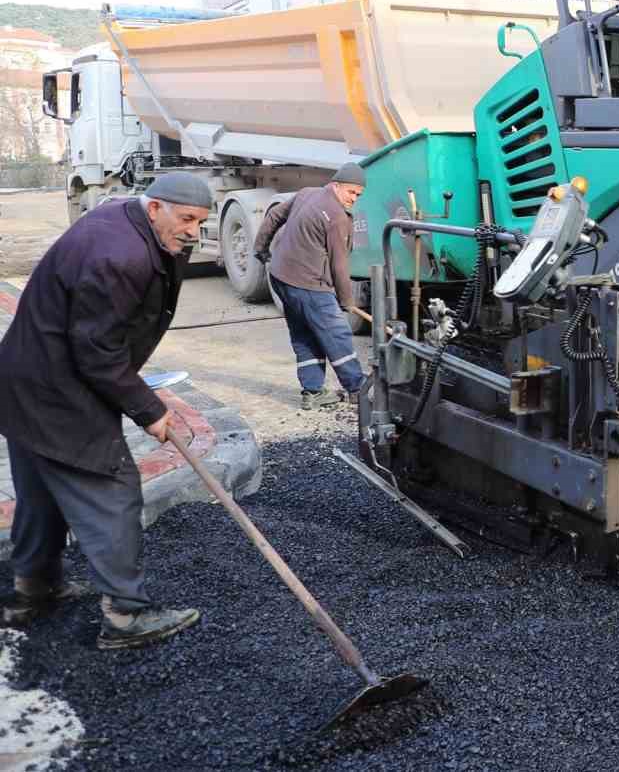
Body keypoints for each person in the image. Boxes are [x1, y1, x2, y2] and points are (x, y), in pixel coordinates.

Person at [0, 172, 210, 648]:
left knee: (40, 487)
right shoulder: (120, 255)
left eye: (200, 221)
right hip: (58, 389)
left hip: (25, 380)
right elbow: (96, 351)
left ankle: (35, 587)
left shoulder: (124, 221)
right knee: (110, 486)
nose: (194, 231)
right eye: (186, 218)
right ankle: (125, 615)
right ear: (154, 207)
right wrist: (148, 408)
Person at [255, 164, 366, 409]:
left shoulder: (306, 193)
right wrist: (347, 301)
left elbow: (274, 216)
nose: (354, 199)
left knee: (304, 334)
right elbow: (339, 265)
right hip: (309, 284)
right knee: (337, 335)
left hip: (281, 277)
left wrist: (260, 248)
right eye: (351, 192)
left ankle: (312, 392)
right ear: (336, 185)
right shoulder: (337, 217)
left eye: (358, 195)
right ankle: (358, 388)